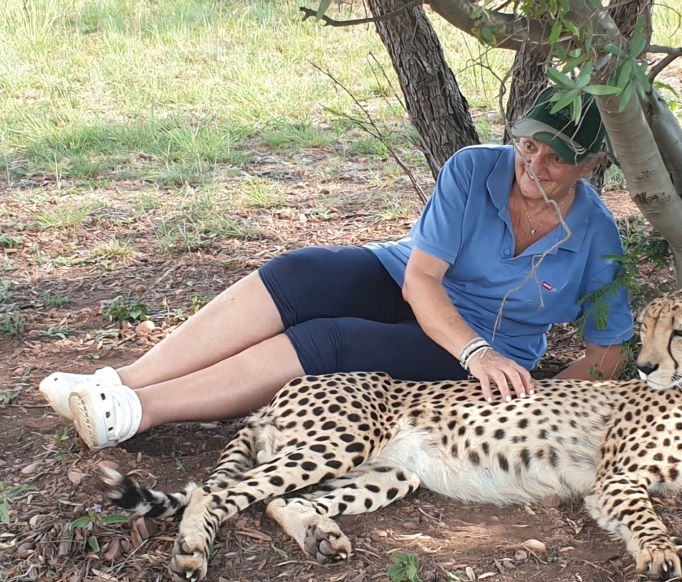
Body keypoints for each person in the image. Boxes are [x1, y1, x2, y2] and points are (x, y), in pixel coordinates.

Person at [39, 88, 634, 451]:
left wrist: (540, 398)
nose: (535, 164)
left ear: (593, 164)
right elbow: (421, 279)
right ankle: (120, 383)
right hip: (412, 286)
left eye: (558, 159)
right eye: (530, 146)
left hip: (486, 347)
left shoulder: (600, 243)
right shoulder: (473, 169)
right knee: (304, 274)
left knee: (330, 342)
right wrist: (473, 349)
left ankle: (141, 414)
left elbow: (607, 353)